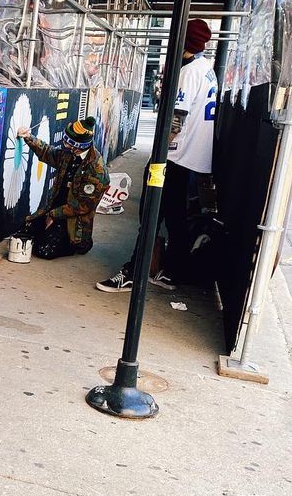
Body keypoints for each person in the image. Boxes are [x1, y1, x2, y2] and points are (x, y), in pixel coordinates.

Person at [96, 18, 218, 293]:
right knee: (174, 218)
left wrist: (158, 158)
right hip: (192, 160)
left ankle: (133, 273)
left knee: (150, 214)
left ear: (183, 42)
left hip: (175, 158)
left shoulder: (188, 72)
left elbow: (177, 119)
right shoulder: (205, 68)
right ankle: (170, 272)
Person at [17, 116, 109, 259]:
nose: (65, 145)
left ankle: (81, 243)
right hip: (55, 210)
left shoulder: (96, 170)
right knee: (25, 231)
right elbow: (48, 153)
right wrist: (29, 137)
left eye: (69, 143)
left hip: (72, 220)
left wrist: (54, 215)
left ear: (78, 146)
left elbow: (83, 206)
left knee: (44, 251)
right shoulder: (69, 154)